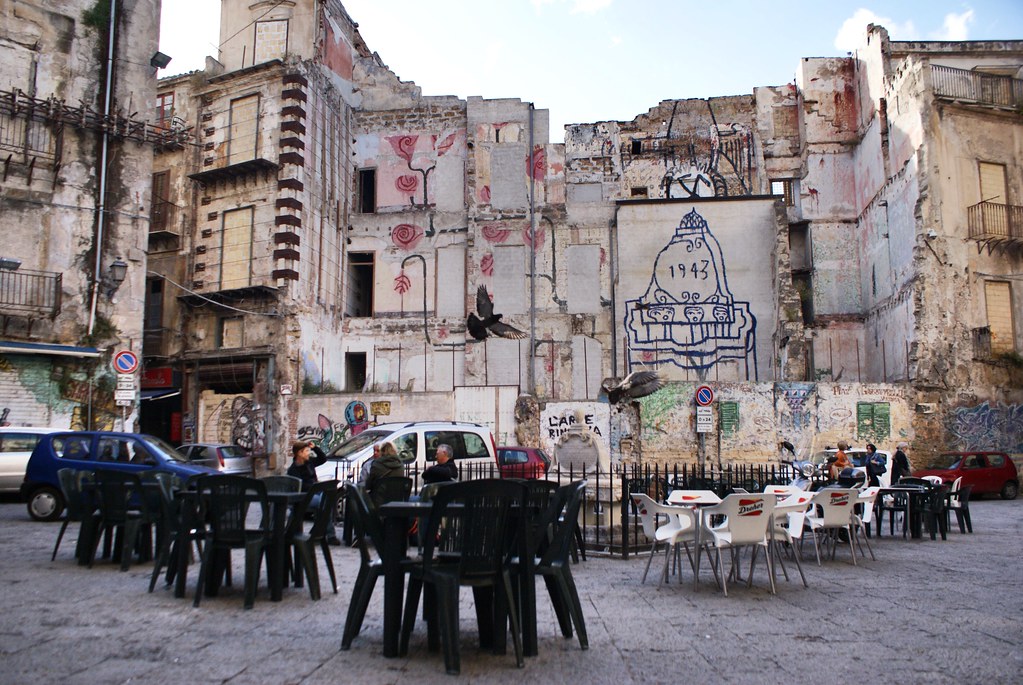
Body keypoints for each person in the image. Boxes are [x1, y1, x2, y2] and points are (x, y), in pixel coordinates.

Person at [287, 440, 340, 545]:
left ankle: (319, 531)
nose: (309, 453)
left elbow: (322, 459)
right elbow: (300, 487)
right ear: (300, 453)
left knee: (326, 500)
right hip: (304, 497)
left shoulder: (309, 462)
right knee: (324, 502)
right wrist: (315, 487)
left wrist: (315, 448)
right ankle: (330, 535)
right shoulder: (293, 470)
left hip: (316, 492)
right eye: (306, 451)